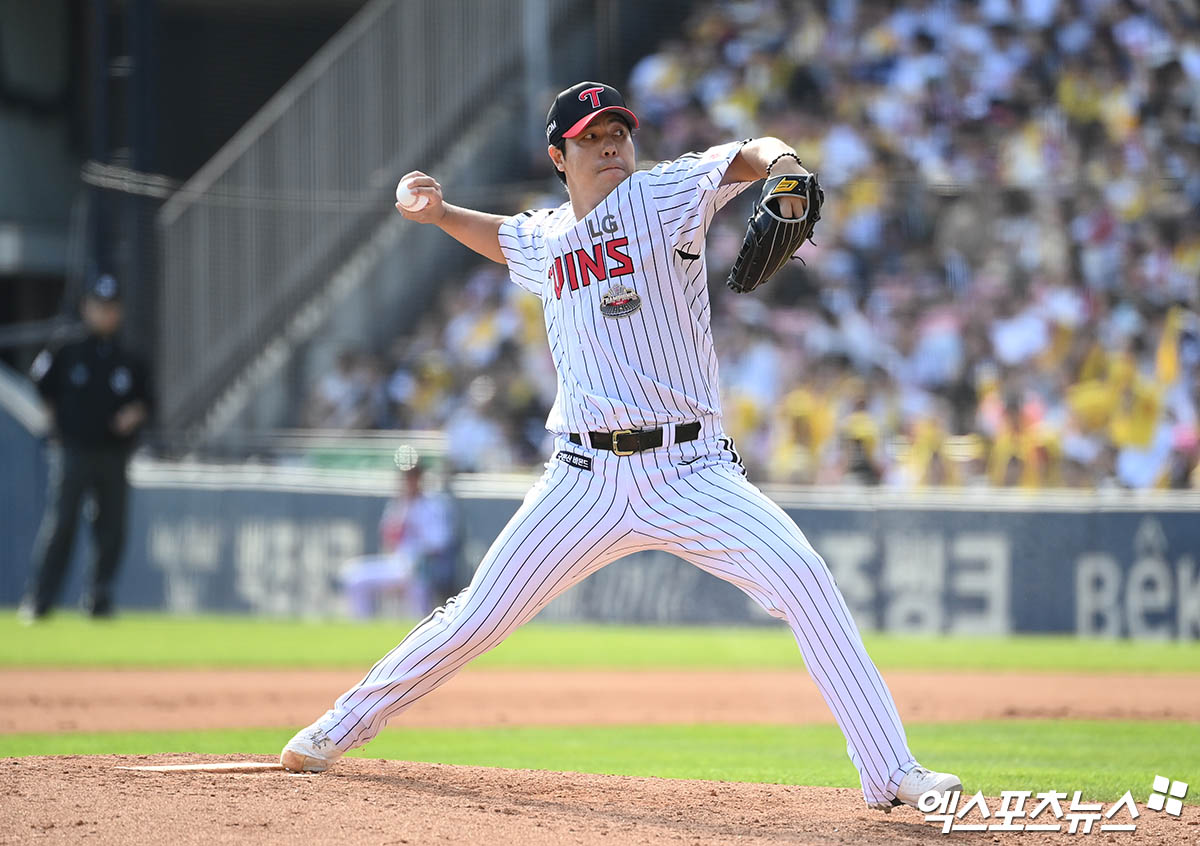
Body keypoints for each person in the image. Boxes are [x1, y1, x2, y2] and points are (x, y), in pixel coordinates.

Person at [281, 81, 962, 813]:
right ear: (558, 155)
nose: (609, 146)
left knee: (803, 577)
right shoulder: (545, 239)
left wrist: (786, 163)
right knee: (476, 615)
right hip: (585, 477)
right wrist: (439, 212)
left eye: (617, 133)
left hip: (691, 469)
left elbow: (748, 155)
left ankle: (889, 770)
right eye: (590, 138)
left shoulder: (663, 194)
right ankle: (335, 728)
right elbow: (501, 236)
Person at [19, 274, 152, 621]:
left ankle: (99, 598)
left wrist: (132, 415)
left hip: (113, 453)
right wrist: (54, 425)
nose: (105, 313)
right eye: (99, 306)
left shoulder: (129, 357)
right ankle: (39, 599)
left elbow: (147, 401)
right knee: (61, 525)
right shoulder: (67, 349)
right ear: (86, 307)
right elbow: (41, 385)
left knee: (111, 528)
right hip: (74, 451)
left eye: (112, 307)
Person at [340, 463, 457, 619]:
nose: (409, 482)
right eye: (406, 478)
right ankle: (364, 628)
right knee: (354, 575)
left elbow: (440, 542)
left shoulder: (434, 505)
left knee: (417, 580)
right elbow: (389, 540)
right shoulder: (398, 504)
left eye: (413, 477)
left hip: (424, 565)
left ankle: (421, 627)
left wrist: (417, 533)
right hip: (398, 563)